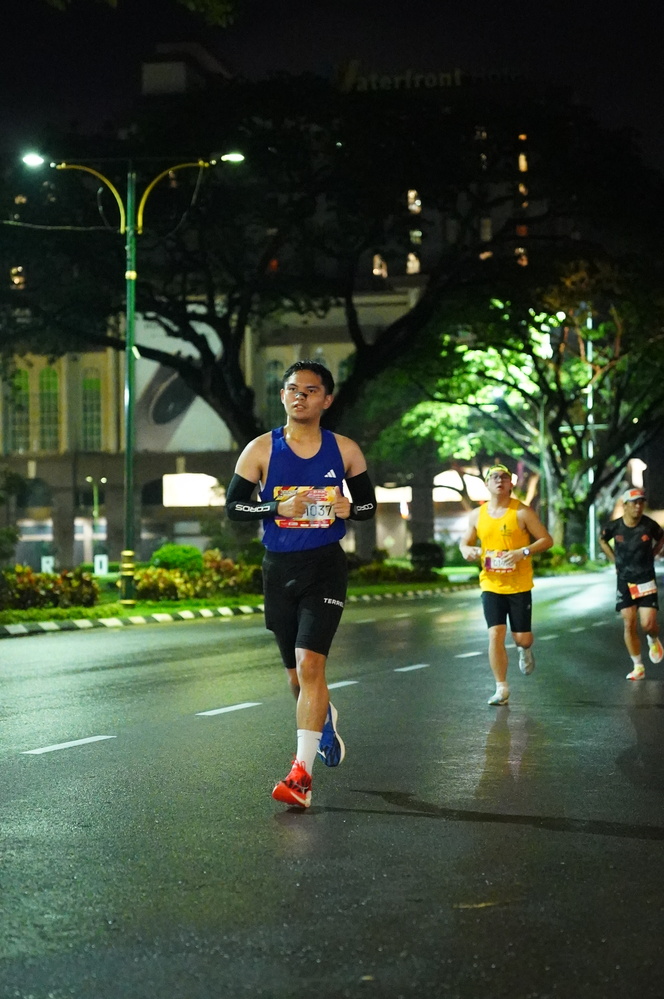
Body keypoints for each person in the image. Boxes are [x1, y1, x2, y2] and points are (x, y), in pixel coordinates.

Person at [225, 360, 376, 807]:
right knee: (296, 679)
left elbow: (369, 506)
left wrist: (351, 509)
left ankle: (301, 777)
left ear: (326, 399)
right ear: (283, 395)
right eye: (293, 389)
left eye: (310, 391)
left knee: (311, 666)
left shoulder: (344, 450)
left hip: (325, 566)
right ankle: (323, 719)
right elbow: (234, 507)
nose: (300, 396)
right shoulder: (260, 449)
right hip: (278, 568)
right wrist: (276, 508)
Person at [459, 464, 553, 706]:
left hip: (519, 585)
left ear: (511, 483)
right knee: (495, 634)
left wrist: (523, 552)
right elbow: (465, 542)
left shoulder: (521, 512)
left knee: (522, 638)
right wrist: (466, 550)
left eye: (504, 477)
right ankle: (501, 688)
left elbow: (546, 540)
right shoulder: (477, 515)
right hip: (491, 584)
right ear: (487, 484)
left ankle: (525, 649)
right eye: (494, 477)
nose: (499, 480)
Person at [599, 487, 664, 680]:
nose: (638, 506)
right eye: (634, 503)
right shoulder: (614, 526)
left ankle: (653, 638)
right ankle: (638, 666)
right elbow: (602, 540)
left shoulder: (649, 525)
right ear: (625, 505)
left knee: (648, 624)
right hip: (624, 579)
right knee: (629, 622)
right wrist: (614, 560)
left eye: (641, 503)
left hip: (645, 578)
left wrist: (653, 553)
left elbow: (661, 538)